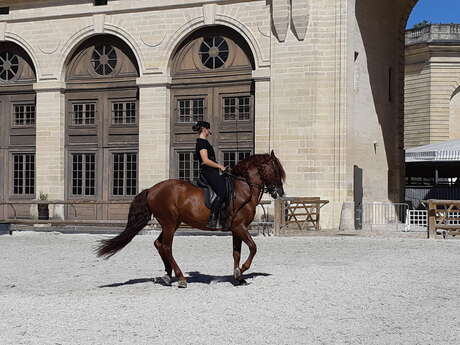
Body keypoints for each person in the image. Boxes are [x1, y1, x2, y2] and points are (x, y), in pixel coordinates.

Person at [193, 120, 226, 228]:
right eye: (208, 130)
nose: (209, 132)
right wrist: (220, 166)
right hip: (208, 172)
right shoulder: (202, 143)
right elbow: (205, 160)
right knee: (222, 191)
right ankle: (213, 217)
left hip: (212, 171)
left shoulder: (205, 142)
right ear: (204, 129)